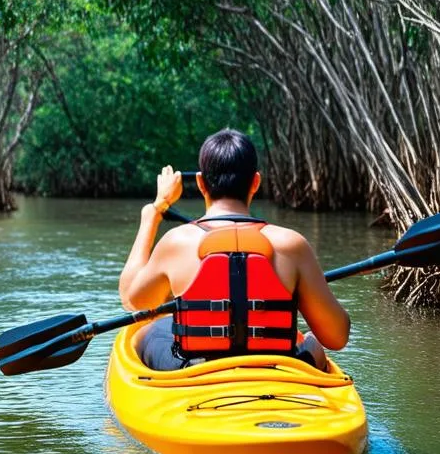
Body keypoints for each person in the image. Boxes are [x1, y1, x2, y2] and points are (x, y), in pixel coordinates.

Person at [119, 129, 350, 371]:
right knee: (311, 342)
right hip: (277, 370)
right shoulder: (292, 244)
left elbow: (132, 300)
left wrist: (153, 212)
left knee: (149, 331)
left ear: (200, 183)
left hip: (194, 372)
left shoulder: (177, 242)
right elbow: (337, 336)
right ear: (256, 182)